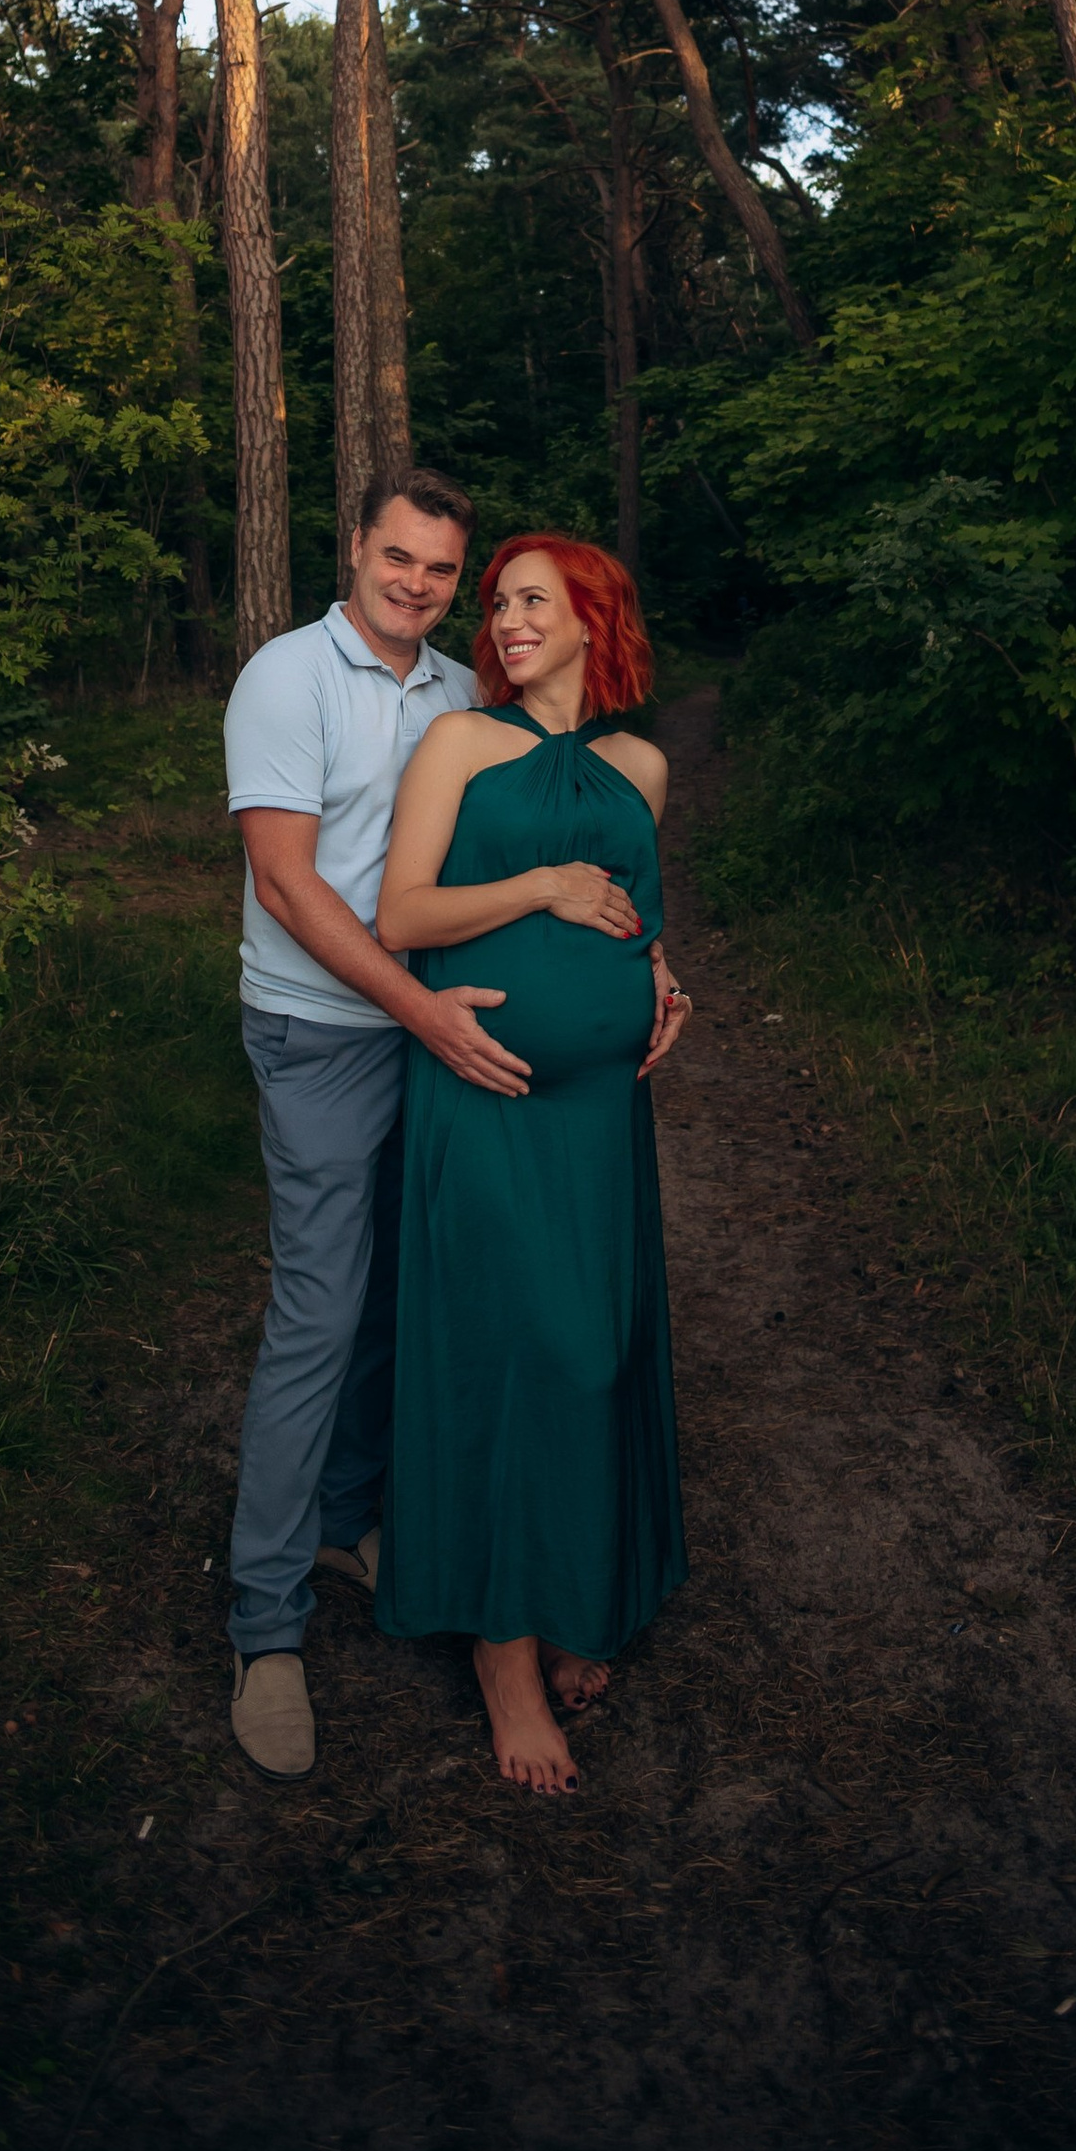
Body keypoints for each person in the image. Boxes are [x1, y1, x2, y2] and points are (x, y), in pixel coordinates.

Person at [371, 531, 695, 1797]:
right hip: (486, 1094)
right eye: (495, 603)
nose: (502, 622)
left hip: (599, 1110)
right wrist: (541, 882)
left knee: (597, 1345)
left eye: (529, 602)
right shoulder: (462, 745)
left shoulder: (642, 767)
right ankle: (501, 1656)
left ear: (591, 617)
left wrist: (662, 982)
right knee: (519, 1348)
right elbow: (402, 915)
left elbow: (641, 919)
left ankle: (569, 1592)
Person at [220, 467, 526, 1783]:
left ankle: (352, 1519)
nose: (416, 586)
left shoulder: (458, 694)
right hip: (320, 1036)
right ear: (355, 550)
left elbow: (476, 868)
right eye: (398, 559)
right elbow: (287, 885)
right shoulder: (286, 679)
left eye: (441, 571)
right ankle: (264, 1625)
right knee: (322, 1315)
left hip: (424, 1035)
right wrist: (423, 1010)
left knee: (403, 1305)